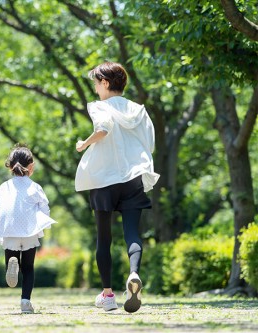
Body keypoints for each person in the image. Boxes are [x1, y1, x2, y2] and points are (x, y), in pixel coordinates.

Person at [75, 62, 159, 313]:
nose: (95, 88)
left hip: (104, 179)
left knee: (104, 238)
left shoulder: (100, 106)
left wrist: (83, 144)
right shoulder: (138, 109)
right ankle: (133, 274)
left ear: (106, 83)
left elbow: (103, 128)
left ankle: (108, 295)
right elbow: (150, 143)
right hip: (133, 178)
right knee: (132, 233)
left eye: (96, 83)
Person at [0, 144, 56, 314]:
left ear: (10, 166)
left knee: (11, 258)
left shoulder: (4, 187)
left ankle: (11, 266)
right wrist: (39, 224)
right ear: (31, 167)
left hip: (9, 229)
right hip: (29, 231)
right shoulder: (35, 187)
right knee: (29, 268)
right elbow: (45, 209)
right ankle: (25, 302)